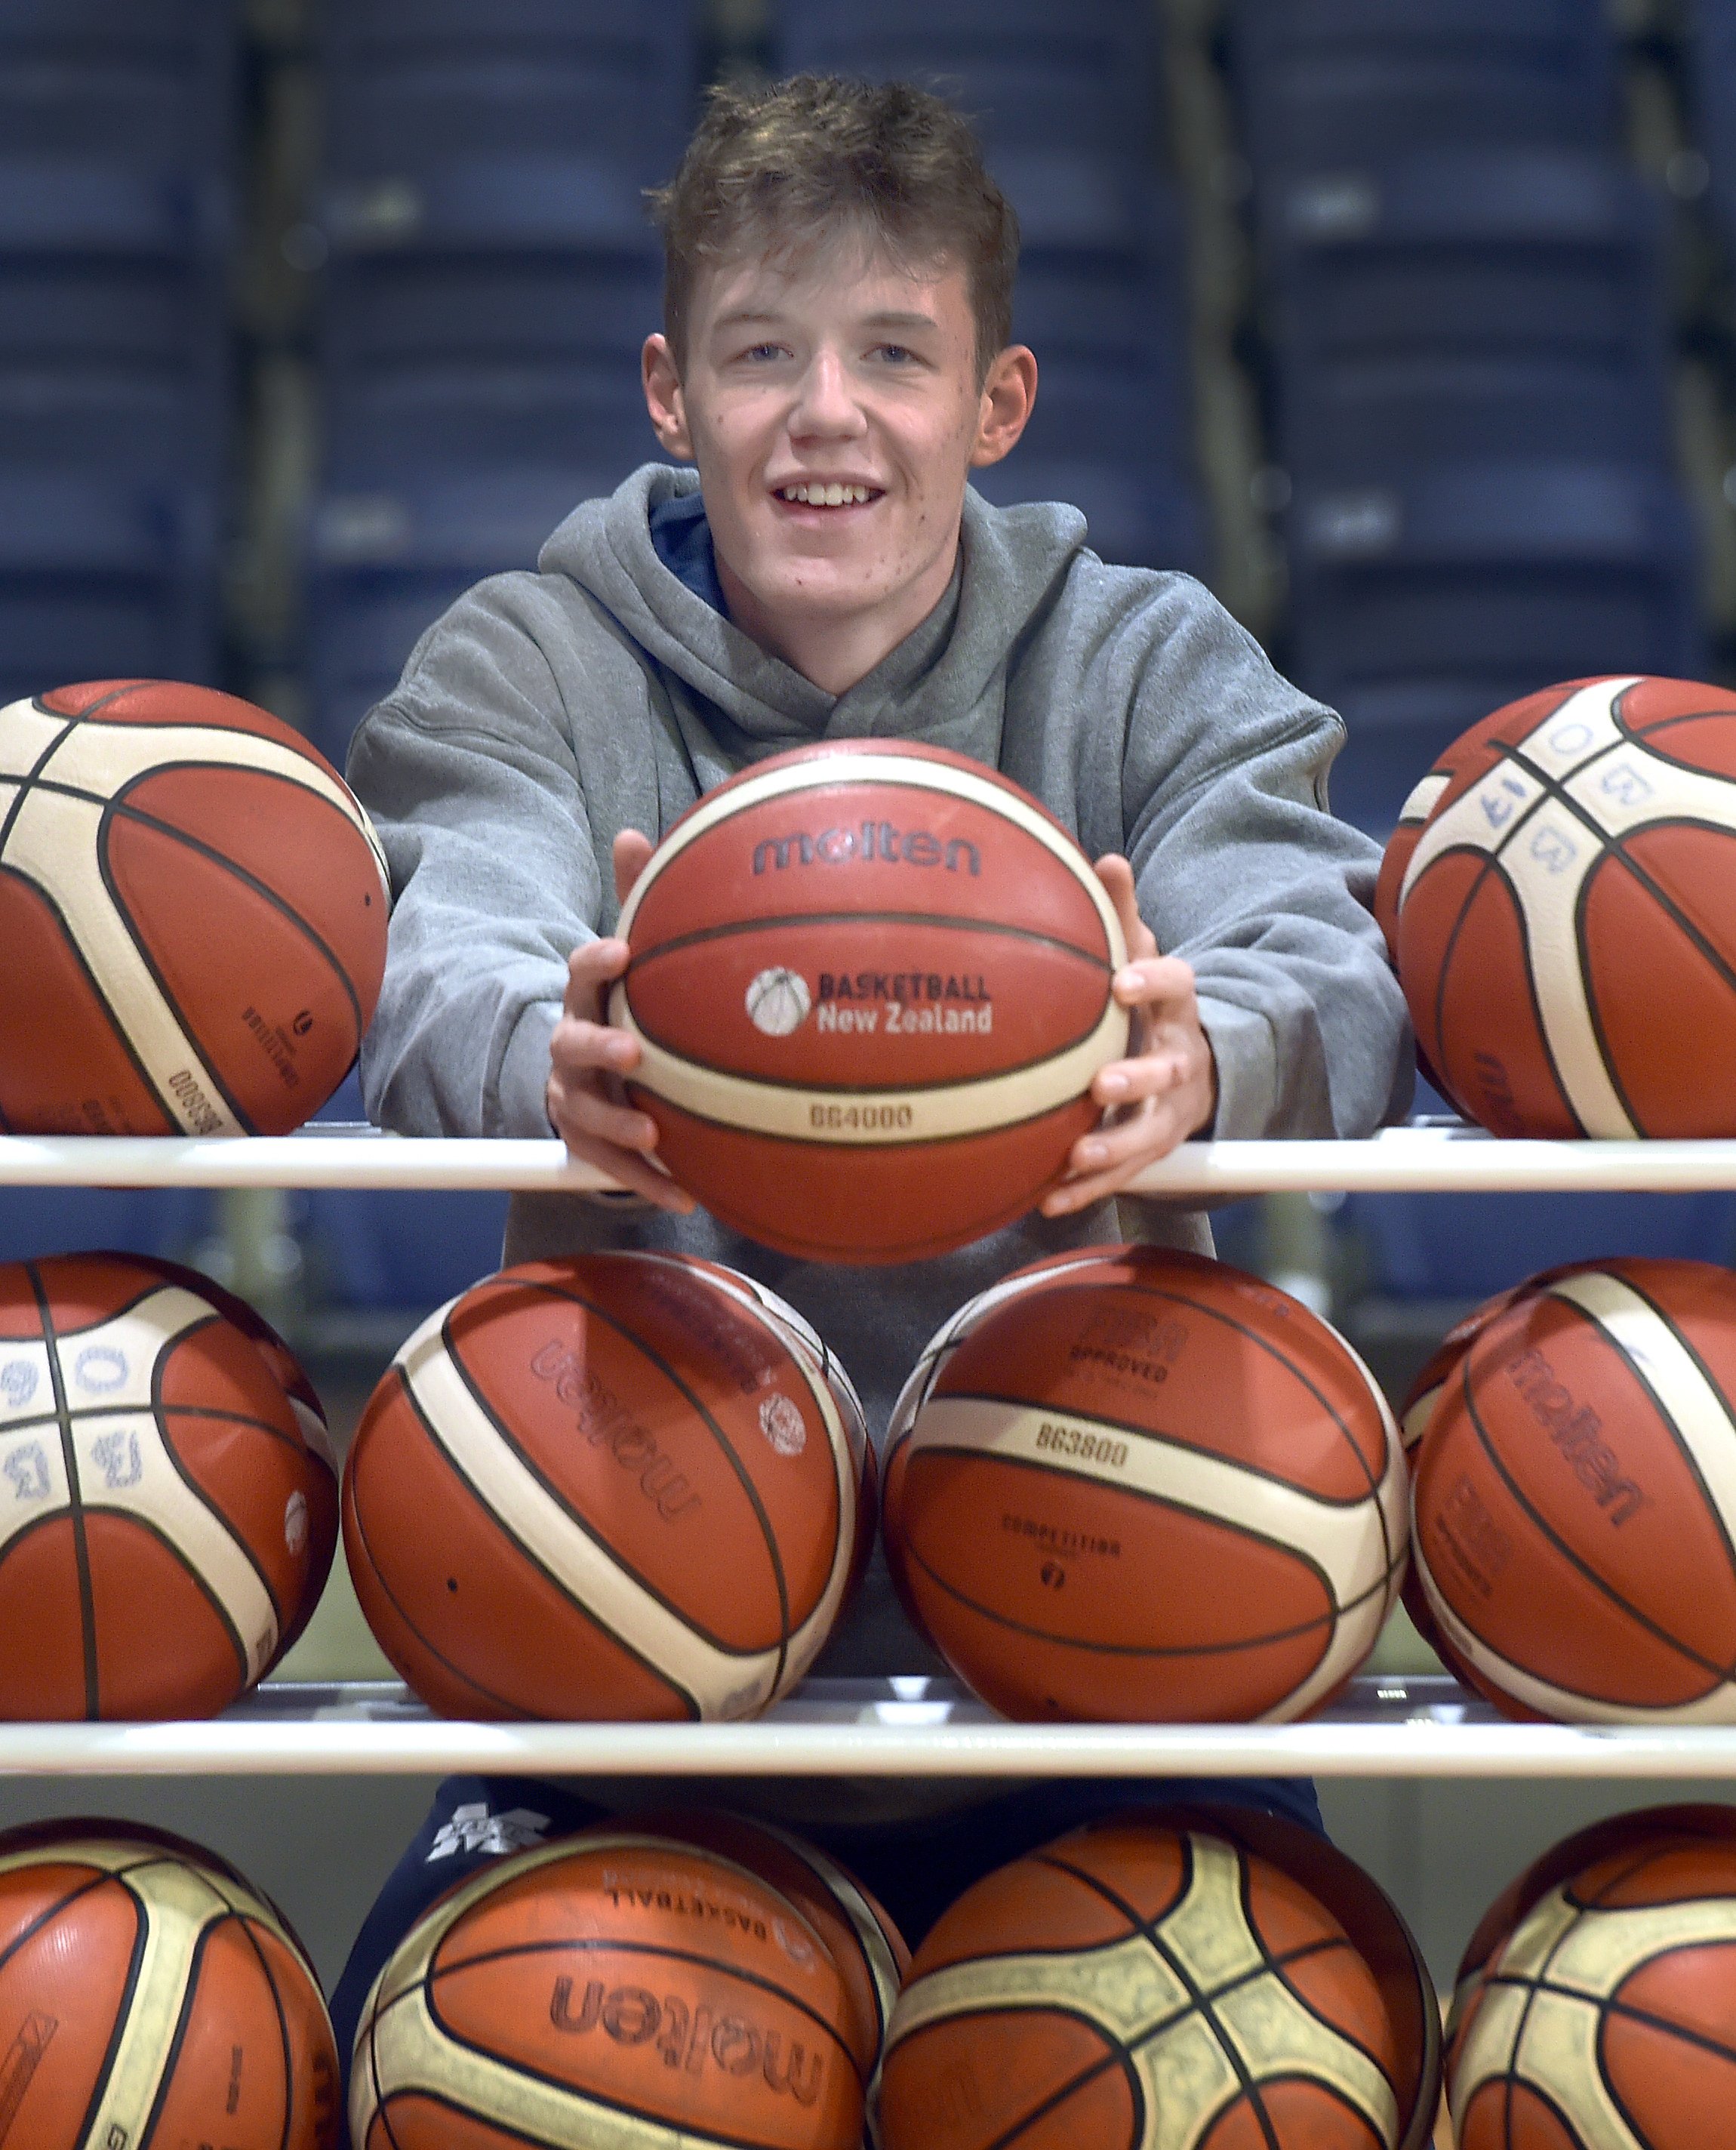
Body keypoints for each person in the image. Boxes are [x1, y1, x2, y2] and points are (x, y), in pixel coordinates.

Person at [331, 72, 1411, 2084]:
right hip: (645, 1631)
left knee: (1266, 2080)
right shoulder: (528, 662)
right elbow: (436, 957)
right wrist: (533, 1050)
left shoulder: (1142, 660)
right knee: (409, 2067)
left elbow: (1327, 957)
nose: (825, 413)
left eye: (891, 356)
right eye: (762, 354)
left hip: (1102, 1616)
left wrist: (1212, 1049)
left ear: (991, 405)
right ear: (671, 390)